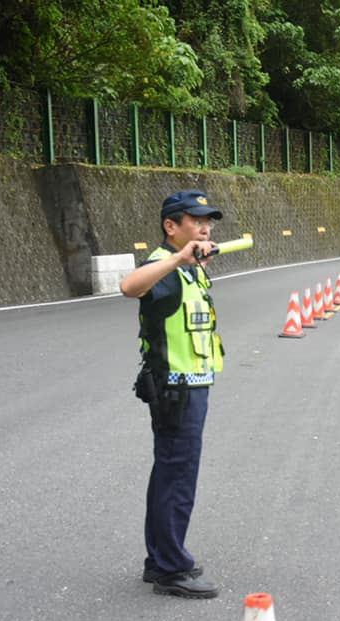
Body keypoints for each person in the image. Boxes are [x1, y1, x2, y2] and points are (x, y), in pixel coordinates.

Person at [120, 190, 224, 599]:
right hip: (175, 389)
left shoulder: (190, 268)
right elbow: (128, 286)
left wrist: (187, 262)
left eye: (209, 222)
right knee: (177, 477)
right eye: (196, 221)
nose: (205, 228)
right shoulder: (165, 266)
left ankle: (159, 559)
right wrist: (179, 259)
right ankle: (170, 568)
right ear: (171, 227)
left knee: (170, 473)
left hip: (192, 384)